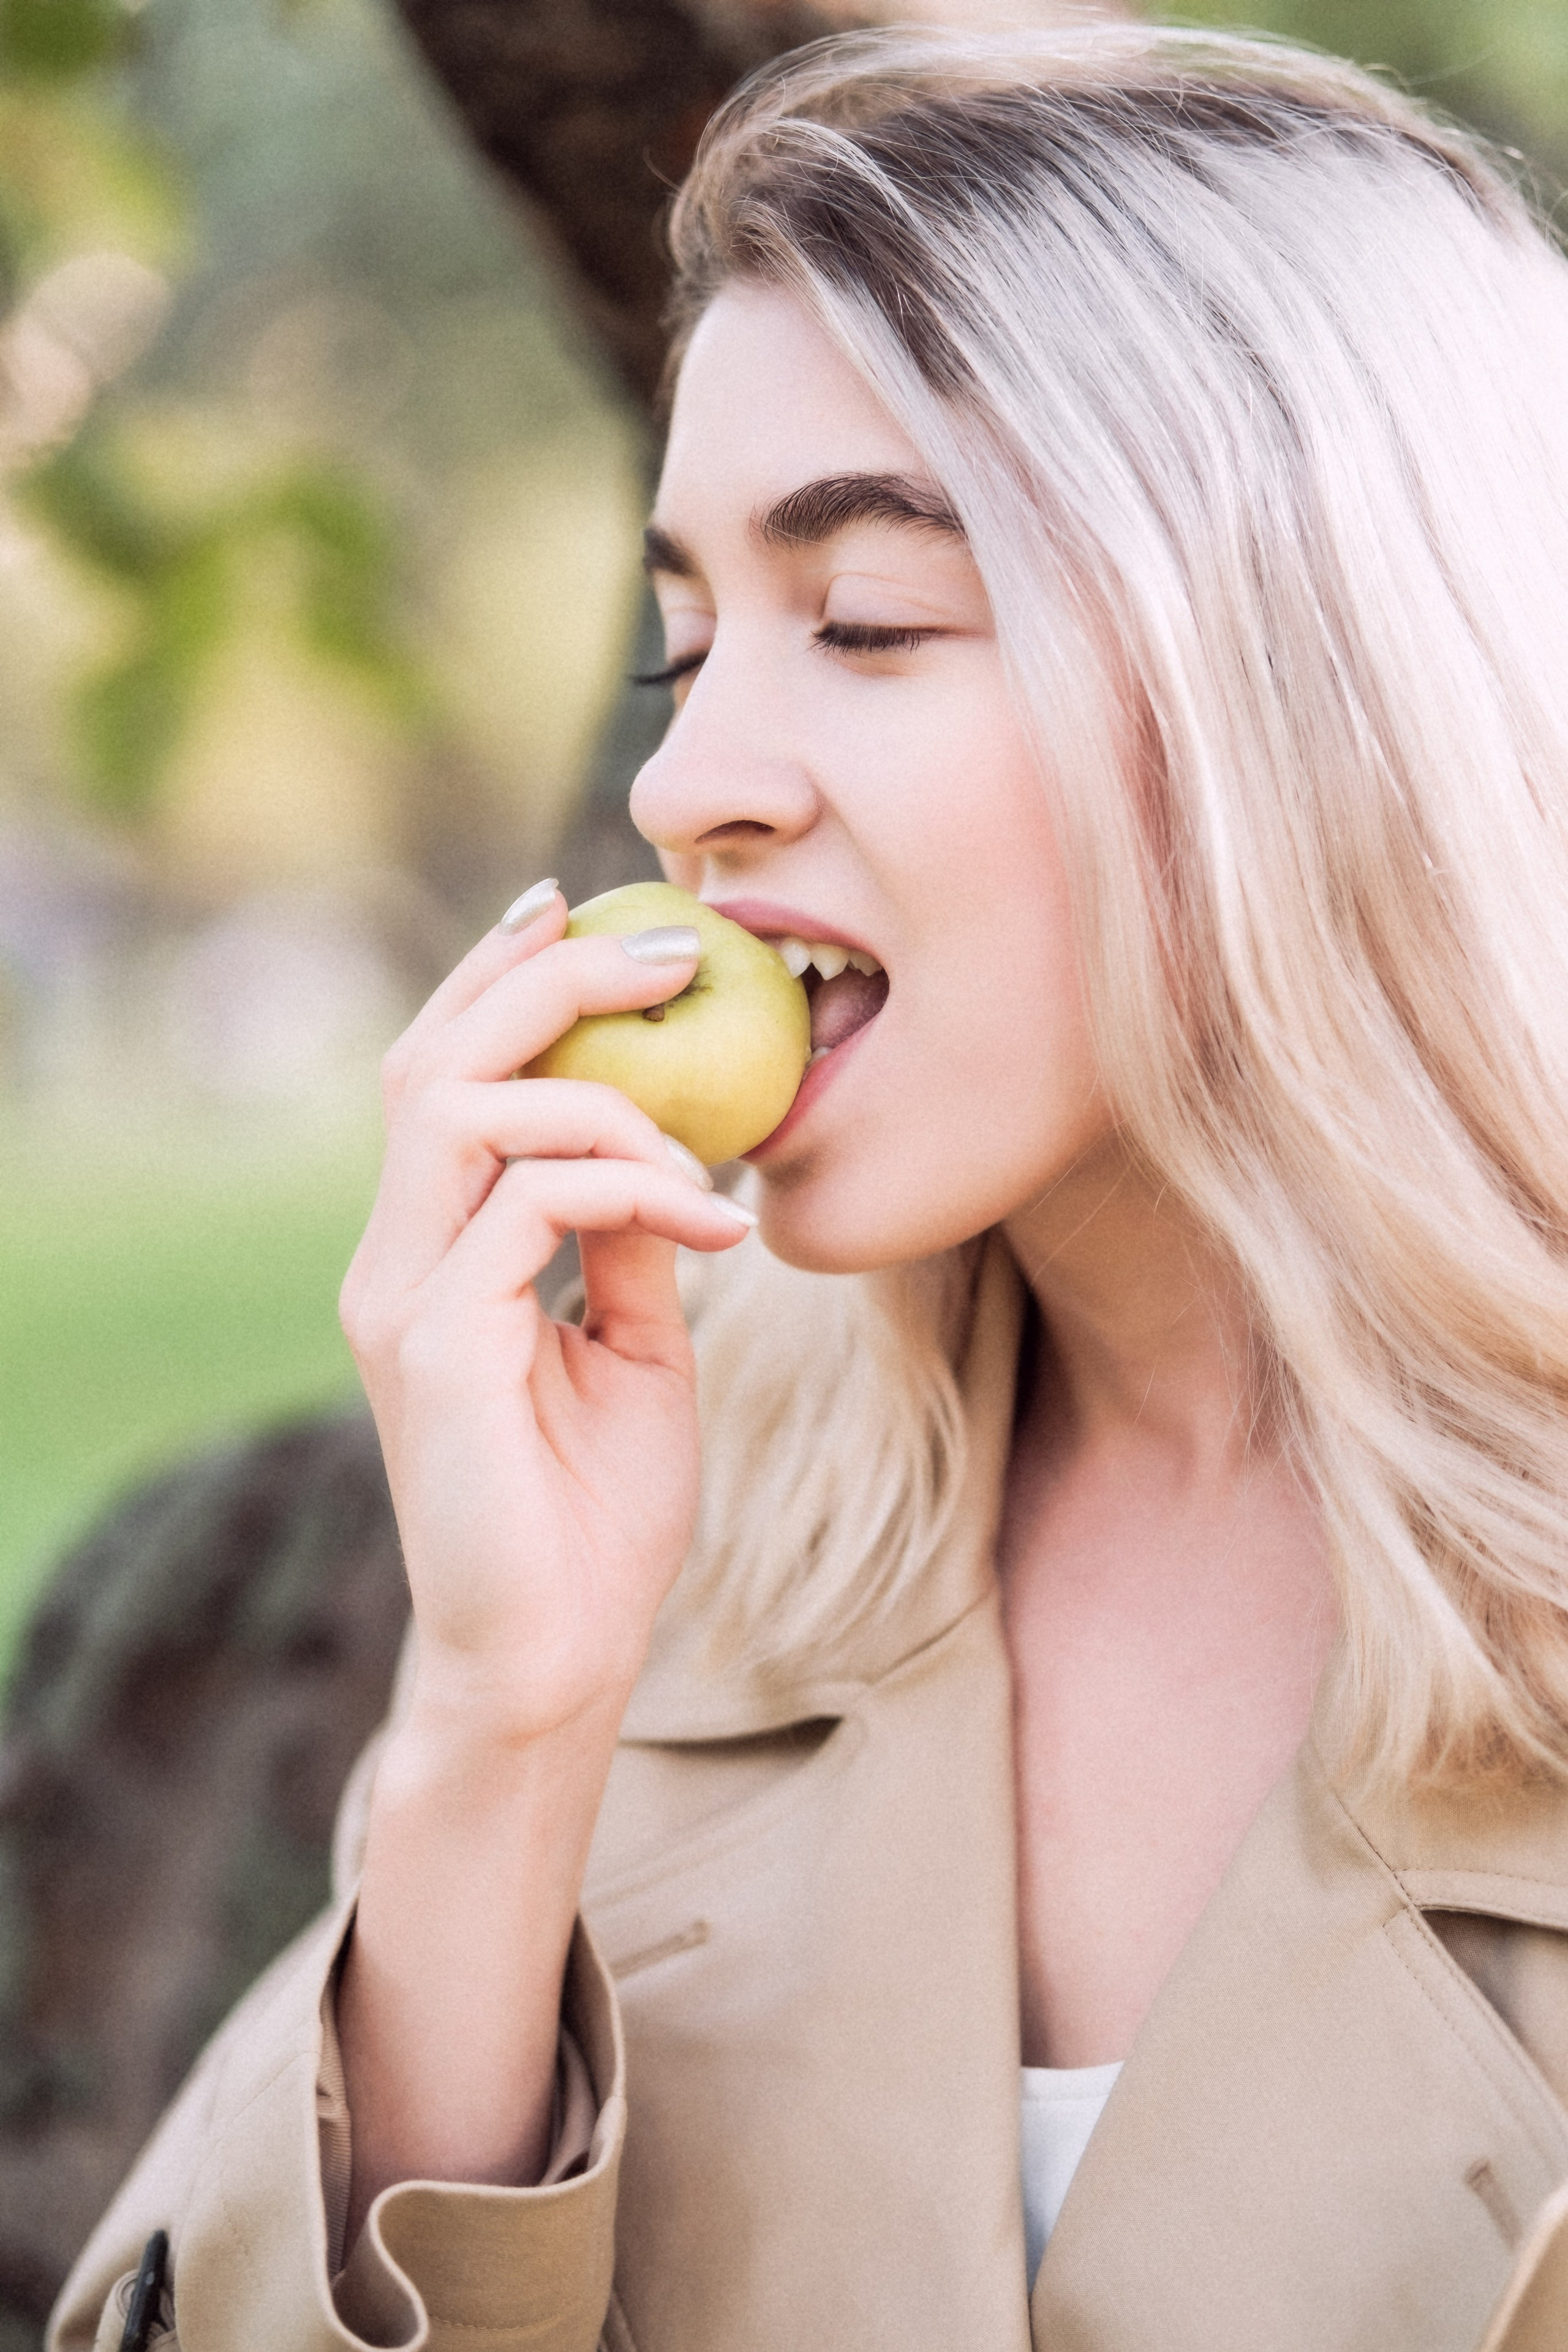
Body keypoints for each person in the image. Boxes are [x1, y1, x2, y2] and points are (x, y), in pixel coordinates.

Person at [52, 24, 1568, 2351]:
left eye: (864, 619)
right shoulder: (679, 1487)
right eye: (684, 652)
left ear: (1314, 681)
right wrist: (497, 1734)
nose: (694, 788)